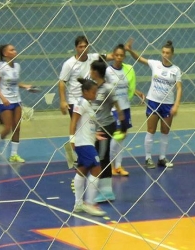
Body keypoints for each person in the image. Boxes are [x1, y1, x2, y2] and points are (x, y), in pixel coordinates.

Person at [125, 39, 182, 168]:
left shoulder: (176, 70)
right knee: (151, 130)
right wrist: (130, 50)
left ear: (172, 54)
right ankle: (148, 158)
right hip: (153, 102)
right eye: (163, 52)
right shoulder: (155, 64)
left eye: (167, 53)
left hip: (168, 104)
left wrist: (176, 105)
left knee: (165, 131)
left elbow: (179, 88)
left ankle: (162, 158)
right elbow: (139, 59)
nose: (165, 55)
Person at [105, 44, 145, 176]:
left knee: (122, 138)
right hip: (114, 109)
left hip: (126, 108)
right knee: (114, 138)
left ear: (124, 57)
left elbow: (128, 87)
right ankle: (110, 166)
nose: (118, 57)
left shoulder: (128, 70)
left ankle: (119, 166)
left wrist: (137, 92)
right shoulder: (108, 71)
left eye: (121, 55)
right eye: (116, 55)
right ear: (113, 55)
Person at [90, 60, 126, 203]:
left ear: (96, 72)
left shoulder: (108, 88)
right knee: (98, 157)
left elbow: (118, 106)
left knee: (103, 158)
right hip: (95, 128)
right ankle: (100, 188)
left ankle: (107, 192)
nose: (90, 72)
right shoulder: (92, 87)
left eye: (91, 70)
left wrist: (122, 124)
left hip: (106, 127)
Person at [70, 78, 106, 216]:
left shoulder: (87, 103)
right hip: (83, 144)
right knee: (97, 168)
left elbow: (85, 124)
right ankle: (89, 204)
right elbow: (73, 121)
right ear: (85, 92)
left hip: (87, 141)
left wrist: (94, 134)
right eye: (93, 92)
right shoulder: (81, 103)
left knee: (82, 170)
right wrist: (71, 140)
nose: (95, 95)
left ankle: (78, 204)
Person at [0, 44, 35, 163]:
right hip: (5, 101)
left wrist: (26, 86)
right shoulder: (1, 66)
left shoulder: (17, 66)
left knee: (17, 128)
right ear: (5, 53)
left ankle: (14, 154)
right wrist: (2, 98)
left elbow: (14, 83)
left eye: (15, 49)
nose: (15, 51)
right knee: (7, 128)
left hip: (16, 100)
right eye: (12, 50)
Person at [59, 35, 113, 117]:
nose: (83, 49)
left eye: (85, 46)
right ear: (76, 48)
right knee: (78, 127)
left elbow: (111, 56)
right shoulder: (69, 64)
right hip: (75, 100)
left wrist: (123, 50)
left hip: (90, 100)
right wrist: (63, 101)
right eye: (80, 47)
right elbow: (62, 82)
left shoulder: (94, 57)